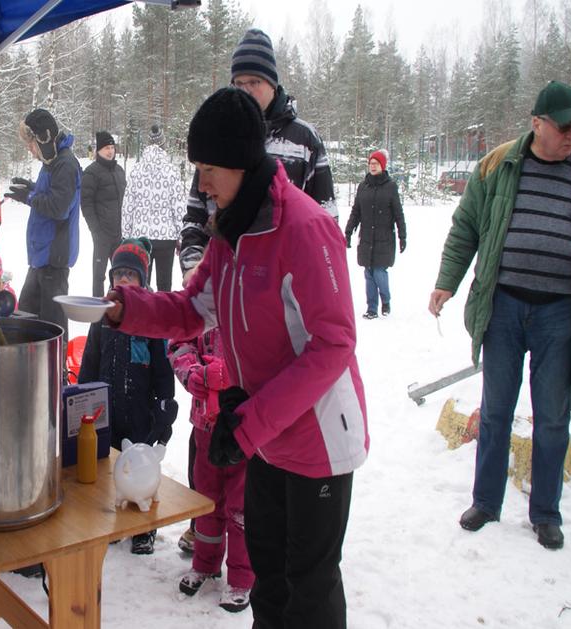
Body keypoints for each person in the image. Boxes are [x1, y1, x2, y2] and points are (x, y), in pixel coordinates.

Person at [105, 88, 368, 629]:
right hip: (266, 435)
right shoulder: (231, 234)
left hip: (317, 439)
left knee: (309, 594)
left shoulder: (306, 228)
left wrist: (249, 424)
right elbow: (190, 311)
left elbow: (335, 345)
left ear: (242, 163)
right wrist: (119, 309)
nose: (199, 183)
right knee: (268, 584)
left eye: (207, 168)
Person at [428, 80, 571, 551]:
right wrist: (447, 281)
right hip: (503, 306)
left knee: (552, 418)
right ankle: (486, 501)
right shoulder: (497, 165)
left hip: (560, 312)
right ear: (537, 124)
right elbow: (466, 227)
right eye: (564, 126)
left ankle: (545, 512)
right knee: (497, 410)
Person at [179, 26, 338, 276]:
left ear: (273, 84)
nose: (246, 90)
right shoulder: (218, 136)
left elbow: (326, 222)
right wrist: (192, 267)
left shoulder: (305, 139)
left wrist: (307, 279)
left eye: (255, 82)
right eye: (239, 83)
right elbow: (195, 216)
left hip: (281, 285)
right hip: (220, 283)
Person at [78, 237, 177, 555]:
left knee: (142, 466)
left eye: (130, 274)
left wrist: (164, 405)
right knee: (112, 468)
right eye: (117, 273)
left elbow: (163, 370)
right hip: (107, 408)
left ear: (142, 280)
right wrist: (80, 397)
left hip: (140, 411)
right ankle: (119, 518)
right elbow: (90, 362)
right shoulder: (103, 320)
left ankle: (145, 528)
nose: (122, 279)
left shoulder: (153, 321)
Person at [169, 326, 253, 613]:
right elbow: (179, 342)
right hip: (204, 422)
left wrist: (231, 375)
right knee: (206, 500)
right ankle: (205, 564)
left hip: (243, 425)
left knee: (241, 506)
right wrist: (192, 372)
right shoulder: (202, 301)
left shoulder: (251, 298)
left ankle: (242, 577)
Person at [5, 108, 81, 335]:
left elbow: (59, 207)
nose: (30, 150)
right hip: (41, 257)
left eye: (31, 144)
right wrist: (31, 187)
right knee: (28, 317)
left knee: (52, 327)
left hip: (54, 259)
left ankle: (57, 369)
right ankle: (30, 366)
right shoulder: (52, 161)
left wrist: (29, 197)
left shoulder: (65, 164)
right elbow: (50, 192)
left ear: (43, 139)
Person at [344, 149, 407, 319]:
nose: (372, 166)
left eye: (376, 164)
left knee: (379, 271)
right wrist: (348, 231)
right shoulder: (363, 186)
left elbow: (398, 213)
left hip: (384, 238)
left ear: (382, 166)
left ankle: (385, 300)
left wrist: (403, 236)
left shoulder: (390, 186)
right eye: (370, 164)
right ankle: (371, 308)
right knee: (368, 272)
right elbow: (356, 211)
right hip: (366, 238)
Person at [121, 125, 184, 291]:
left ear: (147, 146)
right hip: (166, 238)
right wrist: (181, 237)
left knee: (141, 284)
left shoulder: (136, 171)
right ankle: (162, 316)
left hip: (140, 239)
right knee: (164, 285)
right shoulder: (172, 171)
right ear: (163, 145)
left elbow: (128, 207)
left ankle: (142, 315)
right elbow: (178, 207)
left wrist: (126, 237)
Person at [80, 130, 125, 296]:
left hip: (119, 234)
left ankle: (117, 311)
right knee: (99, 276)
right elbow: (86, 204)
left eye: (112, 147)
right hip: (102, 234)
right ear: (98, 150)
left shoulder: (119, 171)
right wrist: (96, 230)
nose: (110, 151)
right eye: (106, 147)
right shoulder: (91, 172)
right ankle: (97, 316)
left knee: (120, 275)